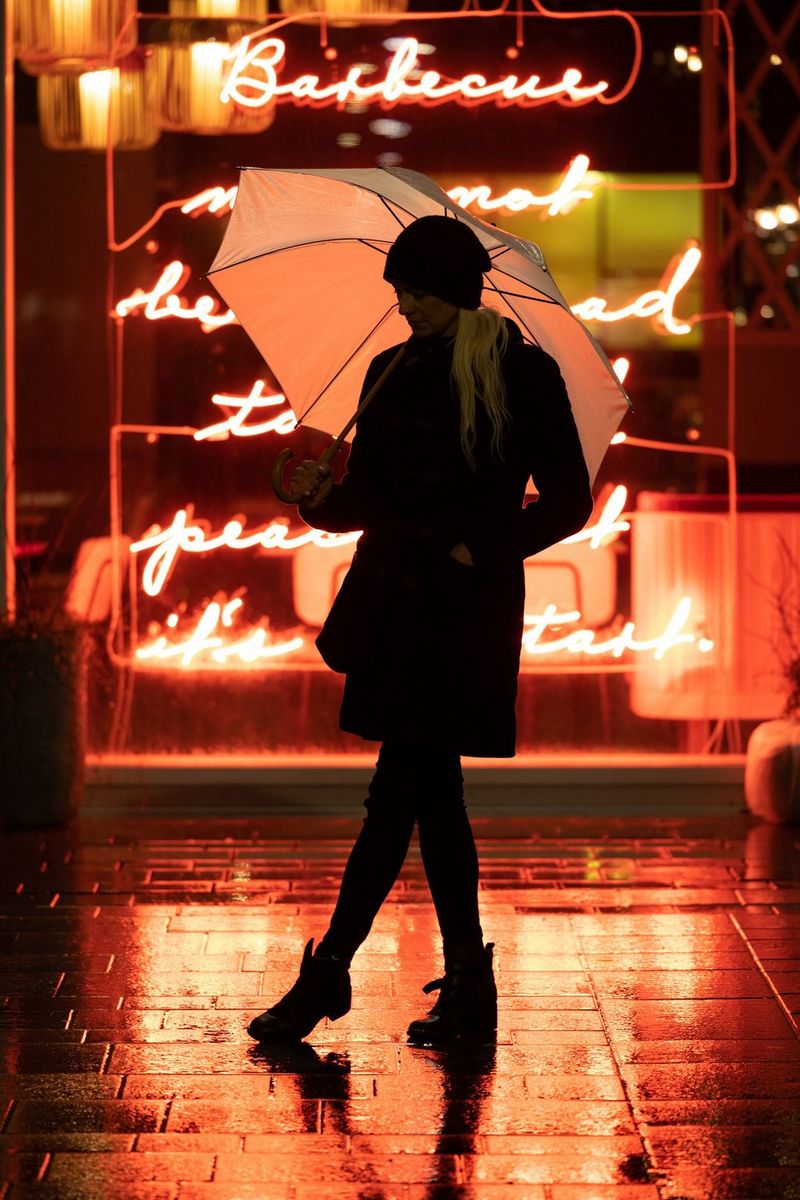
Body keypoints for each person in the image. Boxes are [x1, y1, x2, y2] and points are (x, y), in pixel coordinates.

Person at [248, 215, 593, 1044]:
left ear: (460, 290)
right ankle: (465, 980)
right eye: (399, 290)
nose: (405, 305)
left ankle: (332, 971)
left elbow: (570, 501)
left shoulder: (522, 374)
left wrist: (485, 547)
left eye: (419, 292)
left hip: (463, 609)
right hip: (392, 605)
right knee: (429, 796)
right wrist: (318, 499)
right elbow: (366, 499)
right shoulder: (390, 370)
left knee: (398, 793)